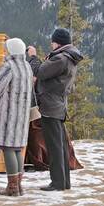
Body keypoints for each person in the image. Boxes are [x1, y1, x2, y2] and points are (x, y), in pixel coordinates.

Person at [34, 28, 83, 191]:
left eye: (53, 41)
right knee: (60, 146)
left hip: (51, 106)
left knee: (55, 147)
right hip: (58, 105)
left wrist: (33, 57)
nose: (51, 44)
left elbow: (41, 72)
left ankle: (57, 183)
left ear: (58, 42)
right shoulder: (68, 57)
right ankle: (64, 182)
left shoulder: (61, 58)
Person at [0, 38, 35, 197]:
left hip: (8, 113)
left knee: (8, 147)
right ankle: (19, 185)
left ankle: (12, 187)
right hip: (22, 113)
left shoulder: (9, 66)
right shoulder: (26, 66)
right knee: (17, 148)